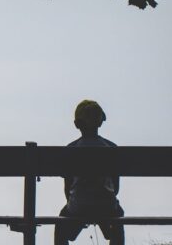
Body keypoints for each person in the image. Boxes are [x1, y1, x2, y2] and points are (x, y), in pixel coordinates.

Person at [54, 100, 125, 245]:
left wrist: (75, 202)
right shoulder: (112, 149)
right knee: (118, 217)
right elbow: (116, 188)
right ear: (100, 122)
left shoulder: (71, 150)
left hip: (79, 205)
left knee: (61, 224)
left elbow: (67, 189)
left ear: (77, 124)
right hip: (107, 205)